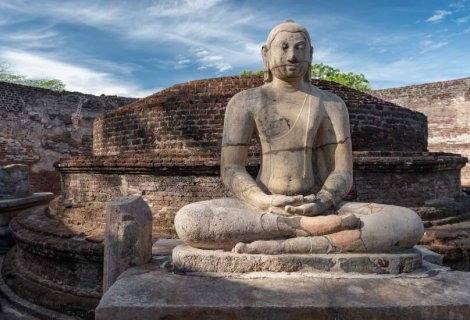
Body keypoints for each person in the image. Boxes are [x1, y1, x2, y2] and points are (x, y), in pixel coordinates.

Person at [174, 20, 423, 254]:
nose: (292, 56)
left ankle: (285, 243)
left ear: (311, 54)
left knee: (409, 224)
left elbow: (342, 172)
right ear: (266, 54)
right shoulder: (244, 102)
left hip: (318, 204)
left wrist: (323, 202)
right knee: (190, 221)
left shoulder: (330, 104)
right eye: (284, 47)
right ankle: (306, 231)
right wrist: (263, 200)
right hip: (262, 207)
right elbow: (231, 169)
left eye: (300, 48)